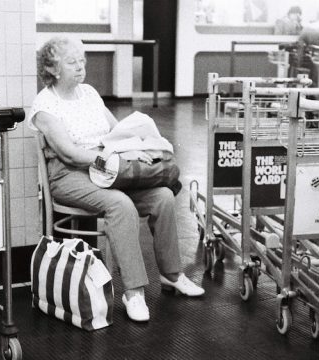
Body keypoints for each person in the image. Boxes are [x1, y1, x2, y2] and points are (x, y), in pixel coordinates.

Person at [29, 37, 204, 323]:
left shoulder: (89, 93)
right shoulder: (45, 105)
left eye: (82, 60)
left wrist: (135, 149)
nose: (80, 67)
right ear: (52, 68)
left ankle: (172, 274)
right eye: (72, 62)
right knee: (120, 204)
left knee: (163, 197)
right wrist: (109, 160)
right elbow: (70, 153)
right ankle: (133, 292)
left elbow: (118, 131)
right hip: (70, 175)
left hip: (107, 169)